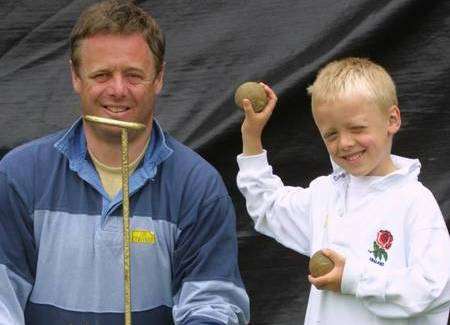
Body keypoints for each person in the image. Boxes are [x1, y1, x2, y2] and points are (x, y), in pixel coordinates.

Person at [0, 1, 249, 324]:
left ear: (159, 78)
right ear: (76, 77)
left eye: (133, 75)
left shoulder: (197, 185)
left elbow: (213, 304)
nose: (118, 90)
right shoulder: (20, 175)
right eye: (102, 74)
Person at [236, 57, 450, 324]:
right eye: (331, 135)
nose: (345, 143)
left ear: (392, 119)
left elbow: (432, 289)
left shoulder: (415, 202)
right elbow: (267, 207)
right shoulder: (325, 195)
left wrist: (352, 278)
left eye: (357, 128)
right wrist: (251, 136)